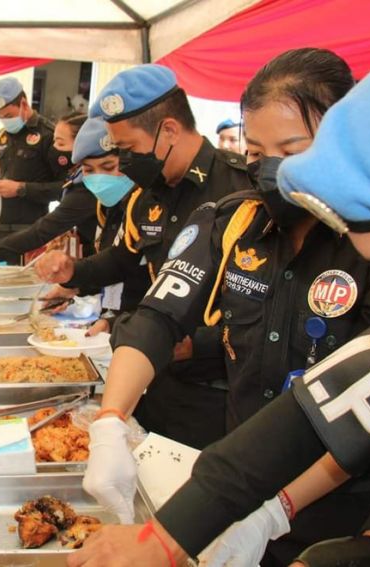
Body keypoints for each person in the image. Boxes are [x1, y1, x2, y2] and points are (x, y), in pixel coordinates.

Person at [69, 39, 370, 567]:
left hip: (340, 500)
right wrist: (110, 422)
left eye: (294, 152)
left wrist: (278, 511)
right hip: (238, 478)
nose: (274, 171)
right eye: (256, 153)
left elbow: (359, 401)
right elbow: (159, 315)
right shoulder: (236, 219)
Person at [36, 64, 248, 449]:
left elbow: (262, 302)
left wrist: (198, 344)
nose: (126, 162)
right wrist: (73, 272)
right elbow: (122, 258)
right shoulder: (146, 196)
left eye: (129, 150)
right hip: (157, 374)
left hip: (219, 389)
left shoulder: (239, 190)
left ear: (168, 130)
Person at [0, 113, 97, 270]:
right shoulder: (4, 136)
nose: (54, 149)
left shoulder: (88, 185)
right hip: (0, 228)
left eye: (60, 144)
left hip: (29, 230)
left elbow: (43, 228)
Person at [0, 76, 70, 264]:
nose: (5, 122)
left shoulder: (48, 136)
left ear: (23, 103)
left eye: (8, 116)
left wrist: (21, 188)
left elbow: (66, 188)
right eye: (0, 118)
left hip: (29, 234)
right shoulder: (4, 136)